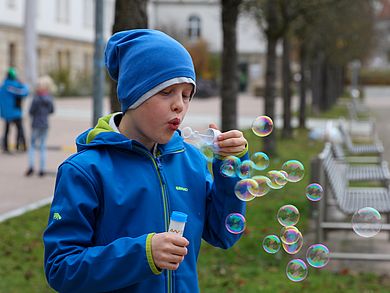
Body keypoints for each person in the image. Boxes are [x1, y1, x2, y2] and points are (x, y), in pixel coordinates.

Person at [43, 29, 248, 293]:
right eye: (167, 92)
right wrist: (142, 254)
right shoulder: (86, 171)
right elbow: (61, 268)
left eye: (186, 95)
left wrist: (230, 169)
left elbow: (224, 233)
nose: (179, 106)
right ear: (134, 94)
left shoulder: (191, 161)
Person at [25, 75, 55, 177]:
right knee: (42, 146)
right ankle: (42, 168)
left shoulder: (36, 99)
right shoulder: (49, 98)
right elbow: (52, 110)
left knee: (32, 145)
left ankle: (31, 166)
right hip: (45, 124)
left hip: (36, 124)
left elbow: (31, 111)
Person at [0, 67, 29, 153]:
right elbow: (24, 92)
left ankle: (5, 147)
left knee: (7, 130)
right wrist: (24, 84)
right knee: (20, 130)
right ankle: (20, 146)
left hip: (6, 113)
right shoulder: (12, 86)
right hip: (15, 112)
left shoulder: (3, 86)